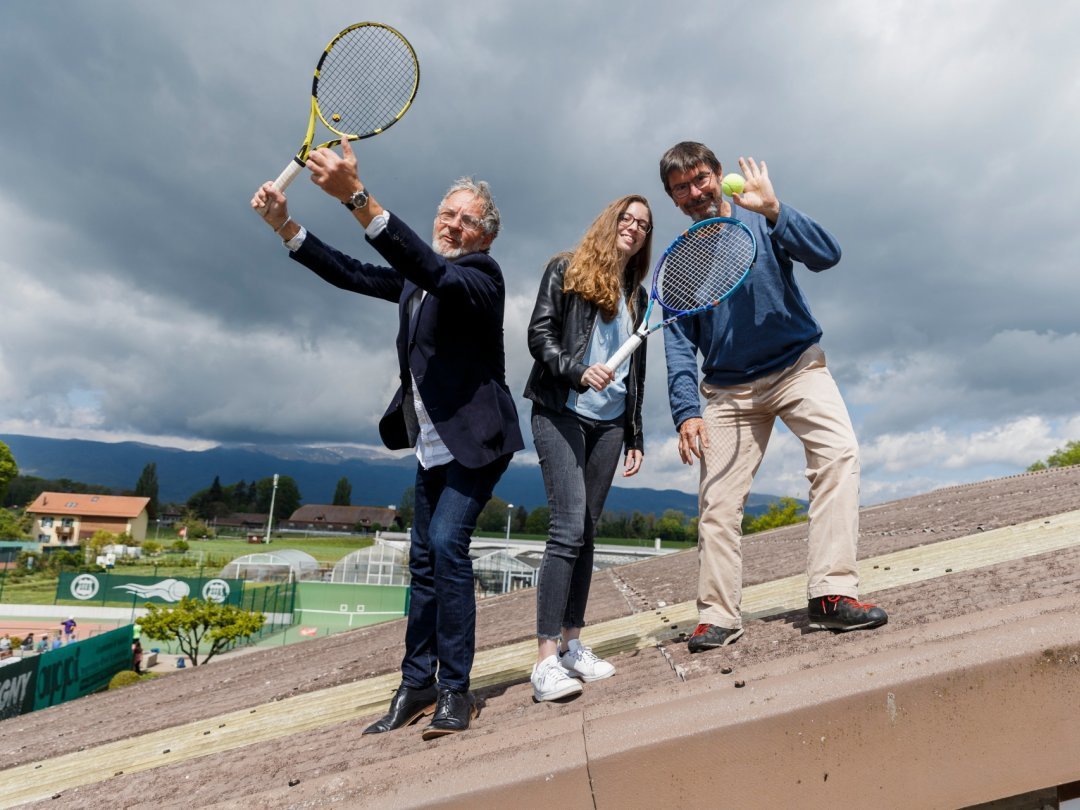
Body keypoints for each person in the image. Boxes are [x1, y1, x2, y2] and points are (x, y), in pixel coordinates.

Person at [251, 137, 523, 739]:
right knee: (423, 561)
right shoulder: (415, 281)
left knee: (448, 545)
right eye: (446, 214)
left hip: (479, 441)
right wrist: (285, 225)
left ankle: (456, 689)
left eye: (466, 219)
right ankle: (416, 681)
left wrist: (356, 196)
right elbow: (351, 272)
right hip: (431, 443)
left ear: (485, 236)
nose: (453, 224)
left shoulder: (482, 278)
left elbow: (431, 270)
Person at [658, 142, 888, 653]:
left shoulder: (761, 218)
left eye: (701, 180)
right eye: (681, 189)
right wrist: (686, 413)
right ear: (673, 200)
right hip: (727, 391)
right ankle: (717, 616)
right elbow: (677, 346)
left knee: (839, 455)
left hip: (797, 366)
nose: (695, 193)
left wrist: (777, 210)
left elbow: (828, 255)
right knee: (716, 503)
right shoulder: (679, 266)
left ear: (719, 175)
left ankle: (831, 594)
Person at [523, 195, 653, 701]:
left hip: (610, 426)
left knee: (589, 532)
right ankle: (544, 659)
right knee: (568, 526)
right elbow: (539, 336)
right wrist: (578, 372)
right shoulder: (565, 269)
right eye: (628, 218)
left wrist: (634, 432)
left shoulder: (636, 295)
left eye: (643, 225)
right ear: (609, 221)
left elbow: (635, 370)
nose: (635, 228)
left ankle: (574, 644)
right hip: (560, 410)